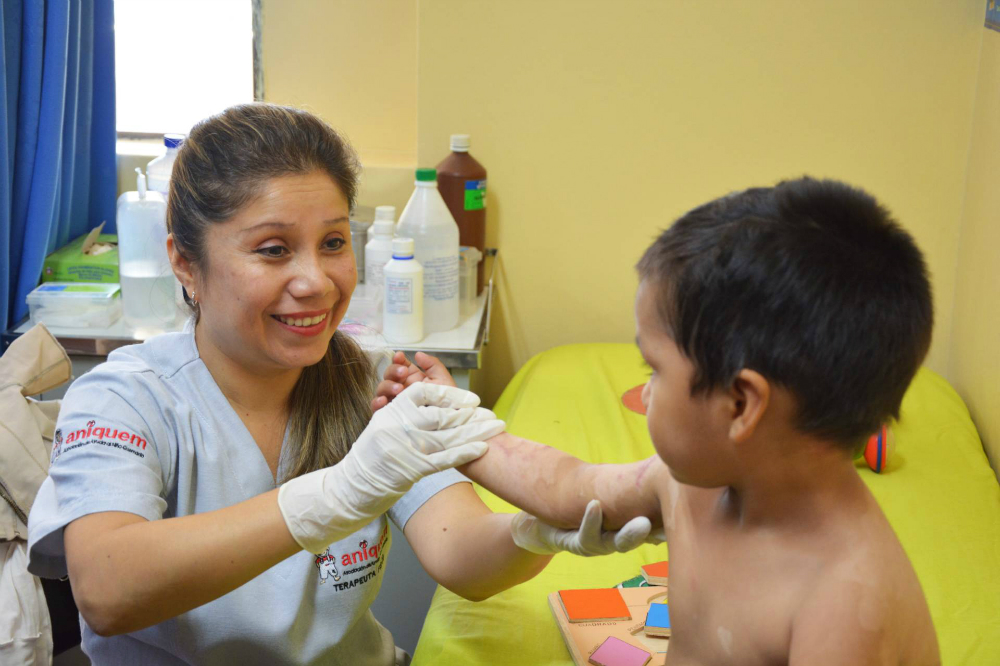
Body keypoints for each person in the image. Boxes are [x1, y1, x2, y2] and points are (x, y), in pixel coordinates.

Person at [25, 103, 651, 666]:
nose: (317, 282)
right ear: (186, 262)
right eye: (273, 250)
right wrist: (342, 491)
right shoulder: (123, 399)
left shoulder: (368, 382)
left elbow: (460, 553)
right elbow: (108, 590)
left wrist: (533, 533)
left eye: (332, 243)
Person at [378, 178, 941, 665]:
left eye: (655, 369)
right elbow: (569, 486)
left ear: (741, 405)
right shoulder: (693, 484)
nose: (643, 393)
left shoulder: (844, 607)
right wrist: (457, 428)